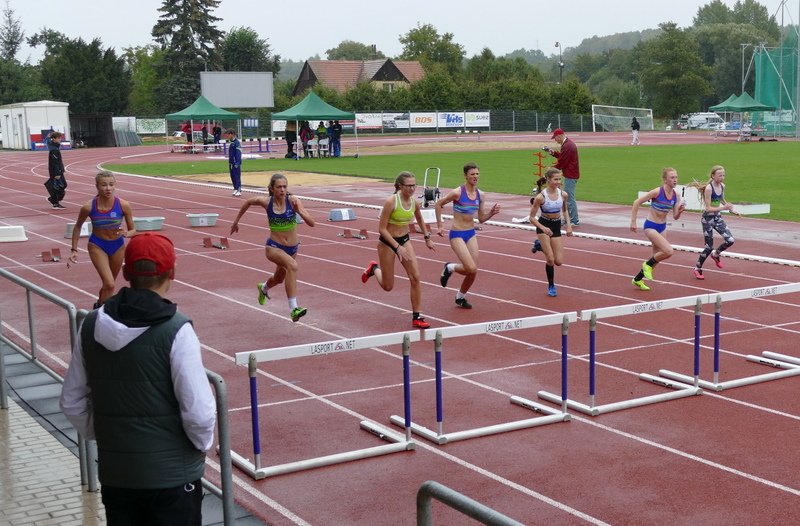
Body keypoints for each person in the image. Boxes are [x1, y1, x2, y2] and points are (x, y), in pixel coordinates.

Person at [59, 232, 216, 526]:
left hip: (117, 477)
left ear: (126, 272)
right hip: (172, 479)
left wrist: (109, 436)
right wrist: (198, 447)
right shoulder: (177, 330)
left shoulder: (91, 325)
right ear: (172, 272)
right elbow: (199, 413)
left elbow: (71, 402)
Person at [230, 173, 316, 322]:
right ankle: (293, 308)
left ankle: (263, 288)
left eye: (284, 186)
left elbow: (312, 223)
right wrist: (236, 222)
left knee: (279, 279)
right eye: (279, 187)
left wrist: (299, 211)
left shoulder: (293, 201)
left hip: (293, 248)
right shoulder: (266, 202)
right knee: (293, 266)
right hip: (274, 247)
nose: (282, 190)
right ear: (271, 188)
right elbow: (248, 202)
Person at [361, 171, 435, 328]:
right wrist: (397, 247)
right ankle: (374, 269)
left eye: (414, 185)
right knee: (388, 286)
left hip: (404, 240)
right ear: (400, 186)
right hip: (388, 242)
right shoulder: (391, 202)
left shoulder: (414, 203)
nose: (413, 188)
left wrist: (427, 238)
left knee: (415, 277)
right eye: (409, 186)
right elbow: (382, 229)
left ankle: (417, 316)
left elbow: (420, 219)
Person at [435, 162, 501, 309]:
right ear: (465, 176)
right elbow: (439, 204)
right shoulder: (457, 192)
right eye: (472, 174)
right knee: (470, 268)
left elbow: (481, 218)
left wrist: (491, 213)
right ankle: (450, 267)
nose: (475, 177)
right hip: (457, 233)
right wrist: (440, 225)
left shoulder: (481, 194)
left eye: (477, 174)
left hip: (470, 233)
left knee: (473, 271)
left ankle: (460, 297)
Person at [67, 171, 136, 308]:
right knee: (110, 283)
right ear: (97, 186)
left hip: (117, 245)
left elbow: (133, 230)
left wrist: (127, 233)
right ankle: (104, 314)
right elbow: (77, 227)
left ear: (115, 185)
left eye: (111, 185)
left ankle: (98, 308)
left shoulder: (123, 205)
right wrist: (74, 249)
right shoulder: (89, 207)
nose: (108, 188)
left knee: (108, 286)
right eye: (104, 185)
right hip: (97, 245)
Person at [630, 167, 686, 291]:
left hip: (662, 227)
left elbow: (675, 216)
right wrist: (633, 222)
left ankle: (637, 279)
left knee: (656, 258)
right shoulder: (657, 192)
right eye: (672, 177)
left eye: (676, 177)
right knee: (668, 251)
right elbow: (636, 202)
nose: (675, 180)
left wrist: (680, 211)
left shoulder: (676, 195)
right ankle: (646, 265)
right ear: (665, 180)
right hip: (651, 226)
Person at [687, 165, 740, 280]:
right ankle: (697, 268)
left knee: (730, 240)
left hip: (717, 218)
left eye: (723, 175)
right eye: (719, 175)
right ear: (713, 176)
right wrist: (723, 208)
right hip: (708, 220)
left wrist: (731, 210)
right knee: (708, 247)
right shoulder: (709, 189)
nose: (722, 177)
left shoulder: (722, 186)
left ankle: (716, 255)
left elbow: (722, 200)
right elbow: (708, 208)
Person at [529, 167, 573, 297]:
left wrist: (568, 226)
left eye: (560, 179)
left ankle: (539, 246)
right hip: (544, 225)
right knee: (550, 260)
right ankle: (551, 285)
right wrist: (543, 228)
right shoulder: (540, 197)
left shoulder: (563, 194)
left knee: (559, 261)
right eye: (555, 179)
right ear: (548, 180)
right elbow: (531, 217)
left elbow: (564, 211)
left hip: (556, 226)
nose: (558, 182)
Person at [543, 128, 580, 227]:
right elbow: (562, 157)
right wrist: (552, 152)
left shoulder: (567, 145)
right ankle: (570, 219)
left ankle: (574, 220)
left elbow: (562, 162)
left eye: (555, 138)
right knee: (566, 197)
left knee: (569, 198)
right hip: (570, 174)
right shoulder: (567, 144)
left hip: (571, 175)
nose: (555, 140)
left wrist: (550, 171)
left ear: (559, 136)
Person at [45, 131, 67, 209]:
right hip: (56, 172)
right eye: (58, 138)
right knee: (60, 186)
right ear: (54, 139)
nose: (60, 139)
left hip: (58, 170)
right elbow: (55, 162)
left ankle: (54, 201)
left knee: (60, 186)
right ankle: (54, 202)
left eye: (60, 138)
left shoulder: (54, 147)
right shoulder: (54, 149)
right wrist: (57, 173)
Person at [225, 128, 242, 196]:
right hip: (231, 163)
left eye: (228, 135)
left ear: (232, 134)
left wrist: (237, 162)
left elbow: (238, 153)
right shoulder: (231, 143)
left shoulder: (237, 143)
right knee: (232, 176)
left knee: (237, 176)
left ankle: (239, 190)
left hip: (235, 163)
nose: (227, 136)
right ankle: (235, 188)